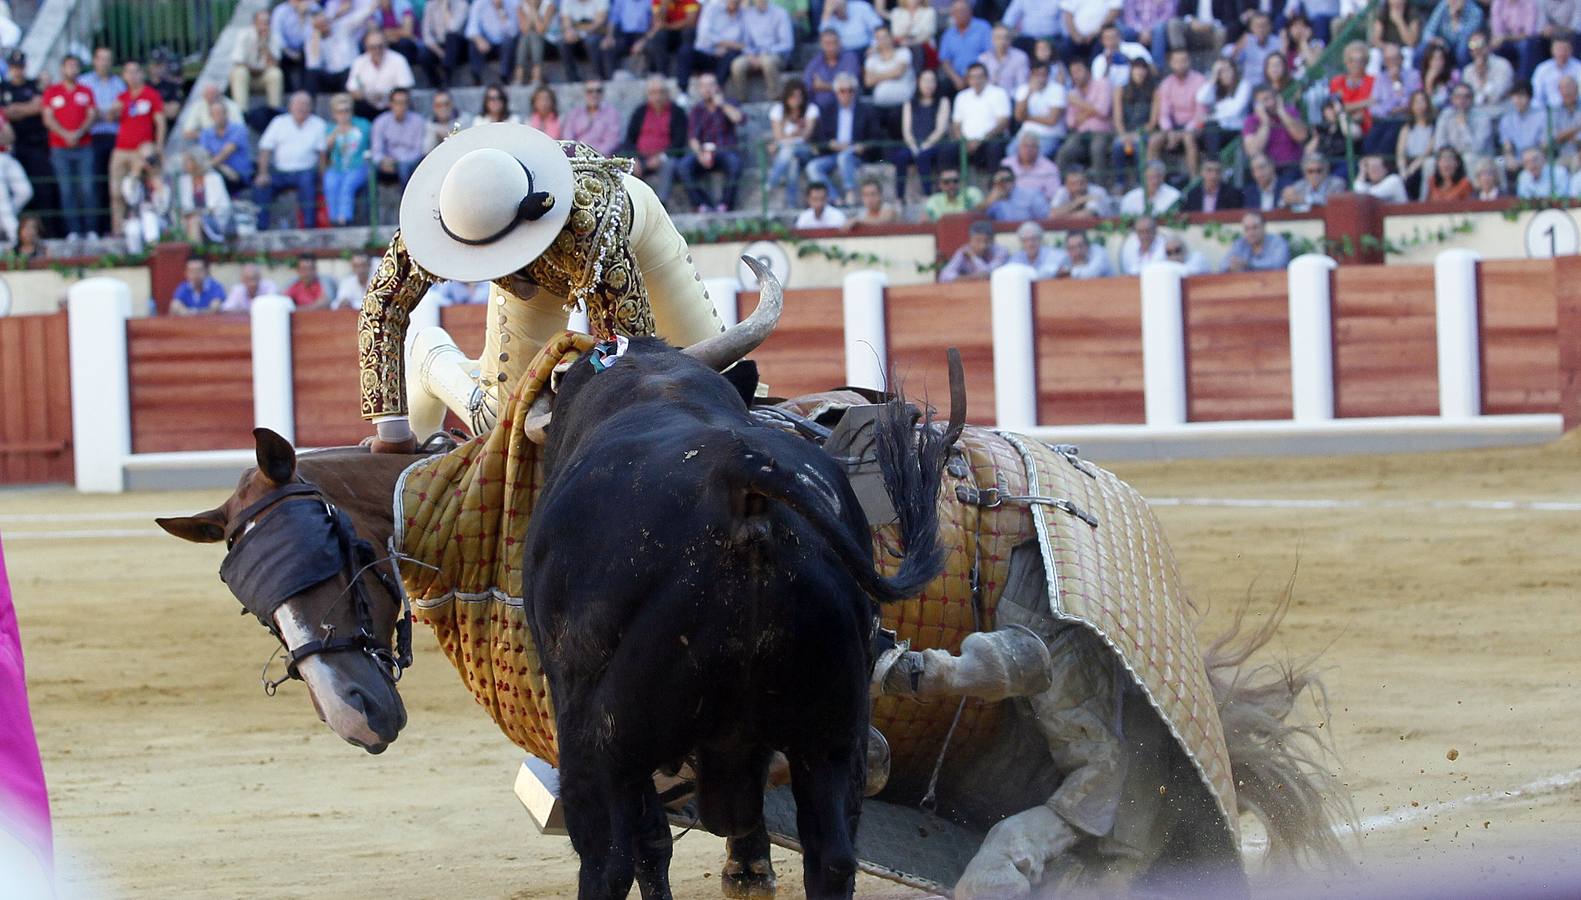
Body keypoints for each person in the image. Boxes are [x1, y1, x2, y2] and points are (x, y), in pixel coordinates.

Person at [254, 92, 329, 230]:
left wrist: (322, 180)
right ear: (290, 107)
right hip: (279, 171)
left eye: (305, 105)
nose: (301, 108)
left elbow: (322, 156)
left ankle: (308, 228)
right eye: (298, 104)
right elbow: (265, 149)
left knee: (307, 183)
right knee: (261, 186)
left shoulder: (318, 124)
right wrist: (262, 173)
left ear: (311, 107)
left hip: (306, 171)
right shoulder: (278, 122)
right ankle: (261, 228)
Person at [42, 54, 97, 240]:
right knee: (67, 190)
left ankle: (91, 230)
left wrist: (79, 133)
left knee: (87, 188)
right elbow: (48, 117)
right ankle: (72, 230)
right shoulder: (52, 91)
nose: (72, 69)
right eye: (69, 66)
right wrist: (65, 134)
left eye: (75, 66)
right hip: (60, 148)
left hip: (84, 146)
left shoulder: (86, 91)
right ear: (62, 69)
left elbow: (91, 114)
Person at [1, 51, 53, 238]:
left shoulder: (33, 85)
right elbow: (5, 113)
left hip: (36, 144)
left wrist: (16, 110)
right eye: (14, 67)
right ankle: (15, 232)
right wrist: (27, 108)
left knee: (38, 190)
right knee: (9, 192)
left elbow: (39, 105)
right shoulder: (3, 87)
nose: (17, 70)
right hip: (12, 148)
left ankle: (45, 231)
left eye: (20, 66)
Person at [807, 73, 878, 204]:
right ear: (836, 92)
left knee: (844, 157)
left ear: (854, 92)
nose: (846, 94)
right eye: (842, 91)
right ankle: (835, 198)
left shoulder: (866, 111)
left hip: (855, 154)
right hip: (834, 153)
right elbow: (818, 137)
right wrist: (830, 144)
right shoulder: (827, 110)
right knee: (813, 167)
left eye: (850, 90)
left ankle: (850, 193)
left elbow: (875, 136)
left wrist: (863, 146)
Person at [679, 73, 744, 211]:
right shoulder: (696, 110)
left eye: (711, 85)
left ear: (717, 87)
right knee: (684, 166)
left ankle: (725, 205)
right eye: (703, 86)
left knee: (735, 163)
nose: (707, 89)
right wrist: (700, 154)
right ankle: (701, 204)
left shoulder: (728, 103)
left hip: (725, 150)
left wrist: (722, 105)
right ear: (699, 89)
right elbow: (693, 138)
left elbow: (738, 119)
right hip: (703, 152)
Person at [619, 76, 687, 204]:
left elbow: (679, 141)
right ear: (648, 95)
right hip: (640, 157)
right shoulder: (640, 112)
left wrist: (661, 157)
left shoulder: (677, 112)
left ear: (667, 93)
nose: (658, 96)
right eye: (653, 93)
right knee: (623, 165)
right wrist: (634, 159)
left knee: (669, 164)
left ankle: (661, 203)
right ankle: (631, 205)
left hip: (664, 157)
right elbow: (629, 139)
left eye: (661, 92)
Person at [80, 47, 126, 235]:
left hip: (116, 138)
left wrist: (105, 113)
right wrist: (102, 114)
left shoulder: (119, 84)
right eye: (101, 59)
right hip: (93, 137)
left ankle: (114, 227)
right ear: (94, 60)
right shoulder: (84, 82)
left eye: (108, 59)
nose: (104, 63)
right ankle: (95, 228)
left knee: (116, 185)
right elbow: (85, 109)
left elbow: (123, 108)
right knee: (94, 183)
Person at [892, 68, 951, 196]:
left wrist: (925, 145)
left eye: (932, 81)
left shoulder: (943, 101)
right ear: (918, 82)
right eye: (925, 80)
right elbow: (906, 130)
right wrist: (914, 146)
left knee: (923, 157)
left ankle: (928, 195)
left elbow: (940, 129)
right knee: (900, 157)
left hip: (934, 144)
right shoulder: (909, 103)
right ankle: (899, 197)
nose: (928, 84)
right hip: (914, 144)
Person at [1054, 59, 1113, 184]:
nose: (1076, 75)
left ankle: (1099, 187)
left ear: (1088, 71)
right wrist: (1092, 110)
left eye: (1079, 71)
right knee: (1064, 152)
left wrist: (1079, 104)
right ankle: (1062, 187)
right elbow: (1071, 122)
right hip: (1081, 134)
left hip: (1101, 132)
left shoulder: (1102, 84)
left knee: (1097, 148)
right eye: (1073, 73)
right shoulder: (1073, 93)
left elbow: (1103, 111)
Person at [1149, 49, 1206, 174]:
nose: (1180, 65)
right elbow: (1164, 113)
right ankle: (1152, 178)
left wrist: (1181, 133)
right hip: (1173, 127)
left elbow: (1200, 113)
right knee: (1154, 140)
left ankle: (1193, 180)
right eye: (1176, 61)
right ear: (1171, 63)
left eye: (1183, 61)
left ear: (1189, 62)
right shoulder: (1166, 83)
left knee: (1188, 138)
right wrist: (1169, 131)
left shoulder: (1200, 81)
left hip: (1194, 127)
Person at [766, 81, 819, 207]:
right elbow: (778, 136)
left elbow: (806, 136)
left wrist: (788, 137)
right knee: (792, 162)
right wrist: (795, 134)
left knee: (789, 149)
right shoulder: (778, 110)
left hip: (806, 151)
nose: (796, 100)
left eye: (799, 96)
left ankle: (771, 182)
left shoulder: (811, 109)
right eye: (792, 96)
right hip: (787, 152)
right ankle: (791, 204)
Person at [952, 62, 1012, 173]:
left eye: (980, 77)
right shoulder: (961, 96)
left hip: (991, 139)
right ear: (968, 79)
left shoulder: (998, 93)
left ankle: (994, 186)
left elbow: (1003, 122)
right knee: (947, 151)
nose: (976, 80)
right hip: (966, 142)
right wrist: (963, 142)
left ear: (986, 77)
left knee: (993, 148)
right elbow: (956, 125)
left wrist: (981, 140)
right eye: (973, 77)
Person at [322, 93, 371, 227]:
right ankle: (333, 219)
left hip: (359, 165)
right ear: (334, 113)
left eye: (346, 110)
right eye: (339, 112)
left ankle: (344, 219)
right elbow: (325, 147)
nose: (343, 114)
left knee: (347, 185)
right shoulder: (330, 128)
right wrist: (337, 132)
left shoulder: (363, 125)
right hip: (337, 167)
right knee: (330, 182)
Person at [1366, 43, 1422, 156]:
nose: (1392, 62)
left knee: (1390, 137)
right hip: (1383, 120)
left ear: (1402, 59)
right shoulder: (1381, 78)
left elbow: (1409, 103)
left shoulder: (1413, 75)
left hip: (1404, 120)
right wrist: (1389, 111)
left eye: (1395, 58)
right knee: (1369, 141)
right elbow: (1374, 106)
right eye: (1388, 59)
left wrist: (1397, 82)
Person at [347, 31, 415, 122]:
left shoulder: (398, 60)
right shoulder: (359, 62)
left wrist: (386, 95)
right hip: (367, 104)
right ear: (366, 47)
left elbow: (405, 87)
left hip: (391, 105)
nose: (377, 50)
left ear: (386, 45)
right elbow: (352, 88)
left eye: (380, 46)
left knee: (400, 102)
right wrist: (368, 96)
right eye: (372, 47)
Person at [731, 0, 793, 100]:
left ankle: (775, 98)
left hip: (776, 54)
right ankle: (741, 100)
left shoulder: (781, 13)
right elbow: (745, 42)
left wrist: (766, 52)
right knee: (737, 65)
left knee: (767, 62)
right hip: (754, 55)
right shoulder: (748, 15)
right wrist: (750, 54)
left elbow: (787, 44)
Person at [1242, 84, 1308, 174]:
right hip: (1267, 171)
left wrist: (1281, 112)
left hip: (1293, 167)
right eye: (1265, 100)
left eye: (1272, 98)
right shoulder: (1251, 121)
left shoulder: (1290, 112)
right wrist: (1265, 122)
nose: (1271, 103)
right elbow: (1253, 151)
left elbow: (1301, 136)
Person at [371, 87, 427, 189]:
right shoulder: (380, 122)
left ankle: (405, 198)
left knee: (404, 167)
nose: (401, 107)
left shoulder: (418, 121)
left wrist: (399, 162)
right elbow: (376, 150)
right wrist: (383, 160)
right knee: (369, 168)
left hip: (410, 161)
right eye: (398, 103)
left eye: (404, 103)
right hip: (387, 161)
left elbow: (419, 150)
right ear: (391, 104)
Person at [1109, 57, 1155, 182]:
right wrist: (1124, 135)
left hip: (1143, 133)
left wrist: (1135, 135)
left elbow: (1152, 122)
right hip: (1124, 133)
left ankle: (1141, 183)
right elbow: (1117, 119)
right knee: (1117, 147)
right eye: (1136, 68)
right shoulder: (1120, 90)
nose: (1139, 71)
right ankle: (1120, 183)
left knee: (1138, 147)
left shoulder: (1154, 91)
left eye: (1142, 68)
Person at [232, 10, 286, 110]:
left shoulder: (274, 36)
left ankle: (274, 111)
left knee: (275, 73)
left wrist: (265, 46)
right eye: (261, 23)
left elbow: (275, 63)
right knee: (240, 72)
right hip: (247, 76)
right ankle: (242, 112)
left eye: (267, 23)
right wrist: (258, 69)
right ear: (254, 23)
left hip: (262, 77)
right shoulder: (244, 35)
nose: (263, 26)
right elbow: (238, 62)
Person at [176, 147, 233, 243]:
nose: (184, 164)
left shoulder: (214, 178)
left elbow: (222, 205)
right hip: (192, 217)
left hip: (214, 219)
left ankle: (195, 253)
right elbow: (184, 205)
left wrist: (200, 213)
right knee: (185, 221)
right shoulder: (183, 180)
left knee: (194, 221)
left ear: (197, 162)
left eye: (188, 161)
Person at [198, 101, 255, 195]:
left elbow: (226, 152)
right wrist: (223, 167)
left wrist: (208, 167)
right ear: (210, 116)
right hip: (220, 170)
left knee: (211, 177)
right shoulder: (206, 133)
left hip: (238, 174)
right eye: (214, 114)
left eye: (220, 113)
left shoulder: (239, 129)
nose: (218, 116)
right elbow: (206, 154)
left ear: (226, 113)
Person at [642, 0, 700, 90]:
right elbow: (658, 22)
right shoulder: (658, 1)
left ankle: (685, 77)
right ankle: (662, 73)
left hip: (683, 33)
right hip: (668, 34)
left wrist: (668, 26)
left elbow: (691, 22)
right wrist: (664, 6)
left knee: (689, 33)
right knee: (659, 36)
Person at [1198, 58, 1250, 159]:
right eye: (1221, 71)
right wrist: (1213, 78)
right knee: (1208, 129)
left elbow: (1236, 110)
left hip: (1237, 129)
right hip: (1220, 129)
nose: (1225, 74)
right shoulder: (1216, 88)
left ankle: (1213, 162)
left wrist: (1212, 117)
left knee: (1211, 126)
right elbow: (1201, 98)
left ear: (1234, 70)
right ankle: (1213, 162)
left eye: (1227, 70)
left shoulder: (1243, 85)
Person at [938, 0, 992, 92]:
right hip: (956, 78)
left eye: (962, 10)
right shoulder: (948, 33)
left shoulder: (983, 27)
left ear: (970, 11)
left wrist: (972, 76)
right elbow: (945, 60)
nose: (959, 14)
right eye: (956, 11)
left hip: (979, 75)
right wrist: (955, 78)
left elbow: (990, 53)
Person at [1014, 61, 1066, 156]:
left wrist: (1028, 118)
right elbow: (1019, 116)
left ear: (1048, 75)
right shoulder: (1024, 89)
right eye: (1037, 74)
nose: (1040, 78)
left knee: (1034, 155)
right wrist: (1029, 93)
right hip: (1025, 134)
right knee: (1011, 152)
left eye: (1044, 74)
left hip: (1049, 135)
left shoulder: (1057, 89)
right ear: (1031, 74)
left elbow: (1052, 120)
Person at [691, 0, 746, 88]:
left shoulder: (745, 14)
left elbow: (744, 44)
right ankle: (683, 92)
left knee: (731, 55)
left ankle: (718, 88)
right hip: (707, 52)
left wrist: (728, 47)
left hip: (728, 54)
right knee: (685, 52)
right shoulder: (712, 8)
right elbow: (704, 36)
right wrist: (725, 44)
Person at [466, 0, 521, 84]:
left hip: (505, 44)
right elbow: (471, 28)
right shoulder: (479, 3)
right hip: (486, 43)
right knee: (474, 43)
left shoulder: (513, 3)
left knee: (509, 41)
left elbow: (513, 32)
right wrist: (479, 39)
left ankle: (505, 76)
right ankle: (476, 76)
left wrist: (501, 10)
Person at [803, 28, 861, 107]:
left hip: (846, 106)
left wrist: (824, 86)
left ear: (840, 43)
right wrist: (835, 86)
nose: (831, 47)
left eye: (834, 43)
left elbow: (850, 83)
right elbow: (807, 84)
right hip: (820, 108)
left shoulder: (849, 58)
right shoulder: (815, 61)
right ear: (821, 44)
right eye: (827, 44)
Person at [420, 0, 471, 86]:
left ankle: (448, 79)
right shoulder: (430, 5)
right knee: (423, 55)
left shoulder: (462, 4)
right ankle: (435, 84)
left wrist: (445, 7)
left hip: (458, 46)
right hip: (438, 46)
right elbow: (426, 34)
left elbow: (452, 28)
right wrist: (440, 52)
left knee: (451, 37)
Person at [865, 26, 915, 115]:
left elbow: (898, 73)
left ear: (891, 37)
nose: (882, 40)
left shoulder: (903, 52)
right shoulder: (872, 59)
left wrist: (877, 76)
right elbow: (868, 81)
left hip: (903, 103)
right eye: (878, 38)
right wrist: (891, 73)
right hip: (879, 105)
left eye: (884, 37)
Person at [1499, 81, 1545, 176]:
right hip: (1517, 157)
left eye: (1522, 96)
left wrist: (1530, 157)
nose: (1518, 100)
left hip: (1537, 156)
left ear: (1530, 97)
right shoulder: (1507, 118)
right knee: (1500, 162)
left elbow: (1543, 145)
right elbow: (1507, 145)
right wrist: (1509, 156)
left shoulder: (1541, 115)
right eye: (1515, 96)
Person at [563, 81, 621, 156]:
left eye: (598, 91)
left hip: (601, 158)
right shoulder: (575, 113)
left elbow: (612, 141)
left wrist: (594, 154)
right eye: (590, 91)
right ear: (585, 94)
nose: (594, 94)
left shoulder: (611, 113)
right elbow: (568, 137)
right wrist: (576, 153)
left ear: (602, 94)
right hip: (577, 157)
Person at [561, 0, 614, 81]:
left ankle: (599, 76)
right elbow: (566, 22)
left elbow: (600, 21)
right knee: (563, 42)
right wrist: (570, 31)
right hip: (577, 36)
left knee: (591, 41)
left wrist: (581, 31)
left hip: (596, 34)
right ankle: (572, 79)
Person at [271, 0, 318, 91]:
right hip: (285, 49)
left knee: (310, 56)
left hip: (305, 49)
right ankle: (287, 90)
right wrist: (288, 51)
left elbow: (310, 35)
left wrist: (302, 17)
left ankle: (306, 91)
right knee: (278, 56)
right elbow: (276, 35)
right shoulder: (280, 11)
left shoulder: (313, 8)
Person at [940, 220, 1007, 282]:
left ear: (992, 240)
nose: (983, 245)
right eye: (978, 240)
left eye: (987, 241)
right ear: (970, 241)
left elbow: (988, 274)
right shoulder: (964, 251)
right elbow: (944, 275)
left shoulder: (1001, 252)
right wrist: (969, 278)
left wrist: (974, 257)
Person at [1420, 0, 1484, 65]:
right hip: (1443, 42)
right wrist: (1437, 40)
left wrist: (1455, 19)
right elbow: (1428, 31)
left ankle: (1461, 73)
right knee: (1423, 46)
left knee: (1462, 50)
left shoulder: (1476, 12)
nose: (1454, 1)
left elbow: (1464, 38)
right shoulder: (1443, 5)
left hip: (1463, 46)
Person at [1003, 131, 1060, 203]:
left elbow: (1053, 194)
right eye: (1025, 146)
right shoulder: (1007, 164)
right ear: (1018, 148)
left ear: (1039, 149)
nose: (1028, 150)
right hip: (1011, 204)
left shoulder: (1050, 168)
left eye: (1032, 146)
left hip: (1038, 206)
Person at [1221, 211, 1289, 272]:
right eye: (1247, 229)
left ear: (1263, 227)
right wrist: (1231, 266)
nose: (1251, 233)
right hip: (1245, 284)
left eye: (1255, 227)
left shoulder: (1277, 242)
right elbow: (1223, 266)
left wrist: (1247, 264)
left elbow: (1278, 264)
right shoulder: (1240, 243)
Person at [1463, 29, 1514, 108]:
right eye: (1472, 45)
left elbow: (1495, 97)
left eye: (1480, 44)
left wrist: (1482, 75)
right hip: (1476, 115)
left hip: (1500, 112)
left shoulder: (1502, 65)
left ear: (1488, 46)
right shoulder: (1467, 71)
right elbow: (1468, 100)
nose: (1477, 48)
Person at [980, 165, 1050, 221]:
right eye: (999, 180)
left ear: (1014, 180)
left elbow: (1046, 217)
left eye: (1007, 180)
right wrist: (989, 201)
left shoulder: (1032, 195)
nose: (1003, 183)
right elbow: (977, 217)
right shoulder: (993, 199)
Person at [1282, 152, 1347, 211]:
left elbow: (1331, 202)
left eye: (1319, 170)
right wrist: (1286, 198)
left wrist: (1303, 199)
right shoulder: (1299, 185)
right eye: (1310, 171)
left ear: (1326, 170)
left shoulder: (1337, 183)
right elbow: (1281, 204)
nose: (1315, 175)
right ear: (1304, 173)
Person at [980, 24, 1029, 96]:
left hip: (1012, 98)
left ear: (1011, 40)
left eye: (1006, 38)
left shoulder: (1020, 57)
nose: (1002, 41)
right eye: (998, 38)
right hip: (988, 98)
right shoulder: (983, 58)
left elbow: (1022, 85)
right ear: (992, 39)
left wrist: (1005, 95)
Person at [1049, 164, 1114, 217]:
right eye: (1073, 184)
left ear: (1087, 182)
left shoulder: (1098, 192)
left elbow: (1086, 216)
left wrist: (1062, 215)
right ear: (1066, 185)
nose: (1078, 188)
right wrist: (1076, 203)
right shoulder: (1062, 191)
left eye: (1082, 183)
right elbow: (1052, 215)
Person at [0, 138, 31, 249]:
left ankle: (3, 222)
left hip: (6, 155)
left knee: (26, 192)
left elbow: (10, 136)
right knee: (3, 200)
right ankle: (16, 239)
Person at [515, 0, 554, 87]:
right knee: (526, 37)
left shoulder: (549, 6)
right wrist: (531, 9)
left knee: (534, 36)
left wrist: (533, 9)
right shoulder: (521, 7)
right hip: (528, 43)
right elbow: (524, 29)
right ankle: (524, 78)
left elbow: (540, 29)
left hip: (549, 43)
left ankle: (532, 77)